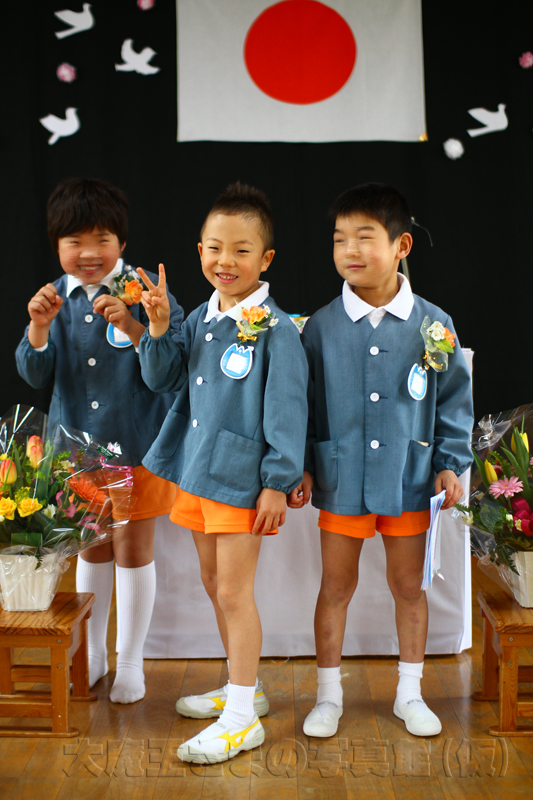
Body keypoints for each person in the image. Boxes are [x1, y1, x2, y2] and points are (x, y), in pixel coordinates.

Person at [289, 183, 473, 738]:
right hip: (341, 476)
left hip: (410, 478)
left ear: (401, 245)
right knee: (335, 586)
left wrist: (449, 462)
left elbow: (453, 404)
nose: (349, 250)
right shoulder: (320, 327)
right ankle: (328, 696)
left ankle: (409, 693)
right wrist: (302, 463)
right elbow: (303, 405)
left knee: (409, 587)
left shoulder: (434, 324)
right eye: (339, 238)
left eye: (364, 237)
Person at [137, 182, 308, 763]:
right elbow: (163, 381)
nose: (224, 261)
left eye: (241, 249)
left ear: (266, 259)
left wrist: (277, 482)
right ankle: (246, 687)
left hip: (241, 477)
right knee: (214, 584)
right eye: (214, 248)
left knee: (234, 592)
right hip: (197, 470)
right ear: (199, 251)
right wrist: (159, 326)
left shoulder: (277, 330)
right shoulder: (199, 319)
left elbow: (288, 411)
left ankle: (240, 719)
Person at [16, 177, 184, 704]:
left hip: (137, 447)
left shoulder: (146, 292)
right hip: (76, 455)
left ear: (122, 242)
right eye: (74, 242)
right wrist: (38, 329)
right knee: (91, 550)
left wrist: (136, 327)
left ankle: (131, 663)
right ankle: (92, 658)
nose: (88, 253)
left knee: (133, 551)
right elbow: (33, 373)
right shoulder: (52, 298)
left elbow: (169, 373)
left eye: (101, 240)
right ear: (56, 245)